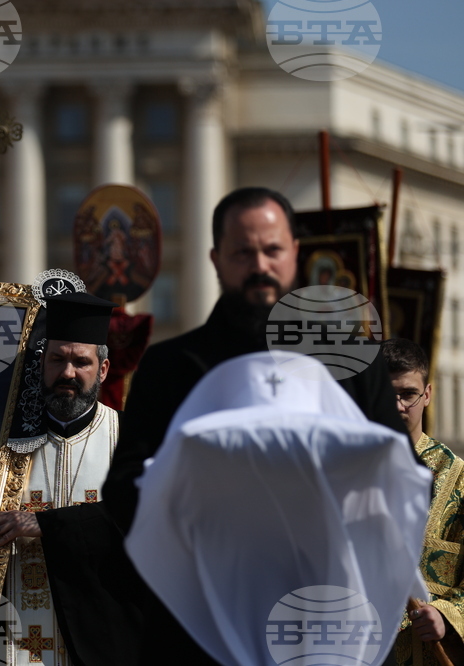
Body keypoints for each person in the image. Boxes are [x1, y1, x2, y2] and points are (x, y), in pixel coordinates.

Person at [103, 186, 415, 664]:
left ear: (294, 253)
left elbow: (406, 476)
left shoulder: (354, 362)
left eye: (272, 250)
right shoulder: (171, 367)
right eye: (243, 252)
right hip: (202, 628)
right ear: (216, 258)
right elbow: (124, 492)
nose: (260, 265)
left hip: (323, 622)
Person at [0, 292, 137, 666]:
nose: (67, 373)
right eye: (57, 359)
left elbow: (147, 520)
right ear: (42, 363)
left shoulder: (132, 440)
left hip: (105, 641)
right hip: (10, 646)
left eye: (81, 362)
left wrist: (46, 524)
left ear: (104, 370)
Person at [382, 338, 464, 665]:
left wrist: (446, 615)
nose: (398, 406)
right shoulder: (344, 473)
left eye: (408, 394)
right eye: (389, 395)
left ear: (427, 394)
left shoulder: (458, 478)